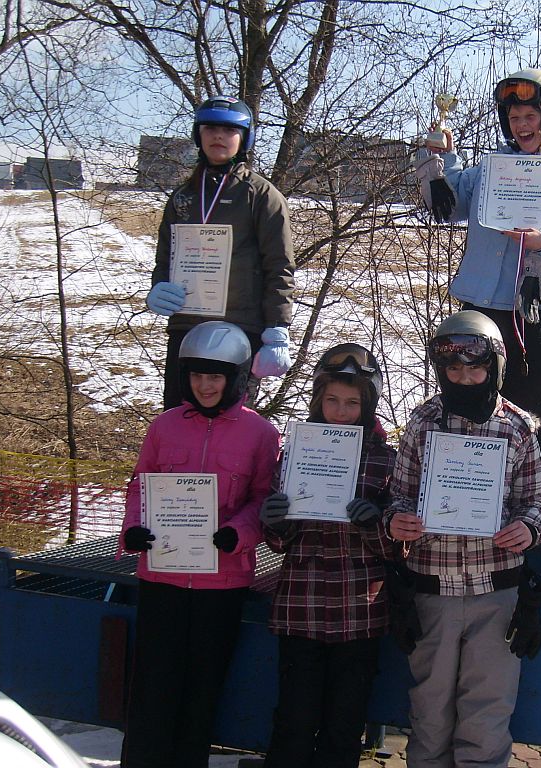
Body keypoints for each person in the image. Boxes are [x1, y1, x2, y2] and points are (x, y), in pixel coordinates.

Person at [414, 68, 541, 480]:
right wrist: (440, 160)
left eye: (530, 116)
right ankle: (460, 488)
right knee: (466, 401)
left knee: (529, 409)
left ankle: (529, 498)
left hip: (529, 310)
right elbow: (451, 206)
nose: (522, 126)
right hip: (478, 306)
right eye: (514, 118)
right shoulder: (491, 168)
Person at [384, 309, 541, 767]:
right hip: (432, 589)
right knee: (430, 709)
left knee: (486, 711)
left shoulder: (517, 426)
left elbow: (535, 499)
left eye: (475, 369)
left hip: (496, 591)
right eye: (453, 370)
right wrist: (397, 520)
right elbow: (399, 493)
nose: (464, 378)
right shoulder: (424, 421)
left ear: (494, 367)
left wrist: (528, 527)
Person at [118, 320, 281, 767]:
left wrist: (239, 532)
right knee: (152, 686)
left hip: (221, 582)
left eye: (215, 377)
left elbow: (264, 497)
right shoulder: (165, 426)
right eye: (196, 375)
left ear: (236, 378)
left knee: (203, 688)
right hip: (163, 577)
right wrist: (134, 529)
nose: (205, 386)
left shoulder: (260, 434)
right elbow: (140, 486)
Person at [258, 343, 397, 768]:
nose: (340, 411)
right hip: (302, 605)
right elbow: (278, 542)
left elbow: (398, 547)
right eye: (332, 400)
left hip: (358, 609)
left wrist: (374, 523)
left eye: (352, 403)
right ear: (319, 399)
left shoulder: (385, 461)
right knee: (294, 721)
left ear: (367, 405)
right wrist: (276, 520)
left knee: (343, 724)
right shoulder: (297, 452)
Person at [144, 95, 297, 410]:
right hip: (187, 325)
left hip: (240, 327)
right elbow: (165, 256)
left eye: (229, 130)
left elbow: (279, 266)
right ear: (198, 134)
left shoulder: (261, 195)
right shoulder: (183, 197)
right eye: (211, 128)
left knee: (230, 419)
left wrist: (277, 327)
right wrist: (159, 286)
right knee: (179, 414)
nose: (219, 136)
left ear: (244, 139)